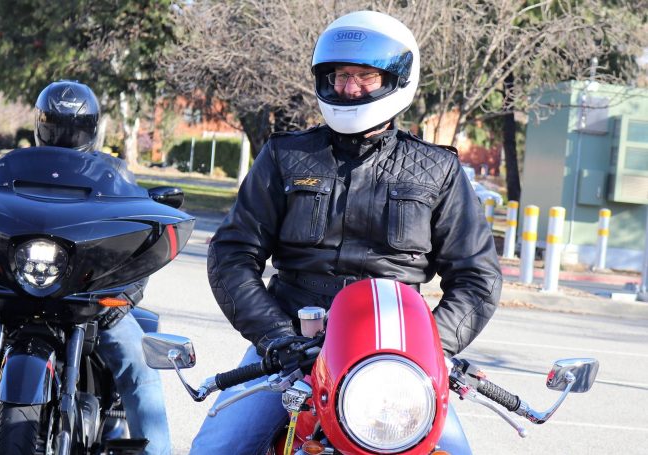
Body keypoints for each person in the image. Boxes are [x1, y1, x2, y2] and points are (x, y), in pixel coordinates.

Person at [191, 11, 501, 454]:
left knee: (454, 450)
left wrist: (433, 344)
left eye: (364, 76)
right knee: (218, 447)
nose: (349, 87)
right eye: (339, 75)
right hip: (291, 348)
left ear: (396, 79)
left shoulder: (439, 169)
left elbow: (477, 276)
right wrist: (275, 336)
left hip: (397, 355)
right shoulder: (286, 156)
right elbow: (232, 254)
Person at [0, 80, 171, 455]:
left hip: (91, 300)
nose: (64, 133)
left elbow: (135, 233)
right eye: (55, 122)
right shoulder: (9, 170)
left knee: (139, 363)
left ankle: (158, 452)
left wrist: (122, 291)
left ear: (91, 127)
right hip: (14, 293)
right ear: (40, 123)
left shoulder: (115, 178)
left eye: (74, 125)